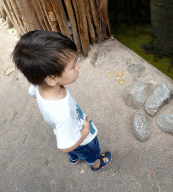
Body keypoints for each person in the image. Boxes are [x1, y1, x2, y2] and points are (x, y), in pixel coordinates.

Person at [12, 30, 112, 172]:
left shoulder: (38, 84)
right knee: (91, 152)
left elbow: (32, 92)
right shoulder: (63, 114)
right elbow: (66, 147)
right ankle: (96, 164)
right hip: (82, 140)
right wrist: (85, 131)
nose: (78, 67)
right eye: (73, 66)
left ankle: (74, 158)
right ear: (51, 79)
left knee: (74, 150)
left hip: (64, 131)